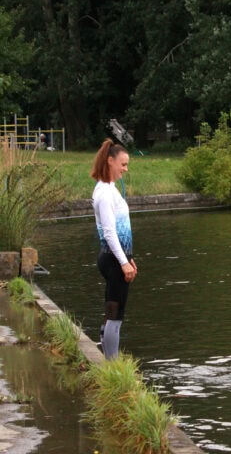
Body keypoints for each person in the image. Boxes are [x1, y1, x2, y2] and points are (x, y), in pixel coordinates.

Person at [90, 138, 136, 360]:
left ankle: (109, 358)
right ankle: (113, 364)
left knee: (112, 312)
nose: (125, 169)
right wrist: (124, 262)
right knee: (116, 316)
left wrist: (129, 258)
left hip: (116, 258)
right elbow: (109, 233)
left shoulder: (109, 189)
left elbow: (121, 231)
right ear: (110, 161)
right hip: (113, 260)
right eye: (123, 164)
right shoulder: (105, 194)